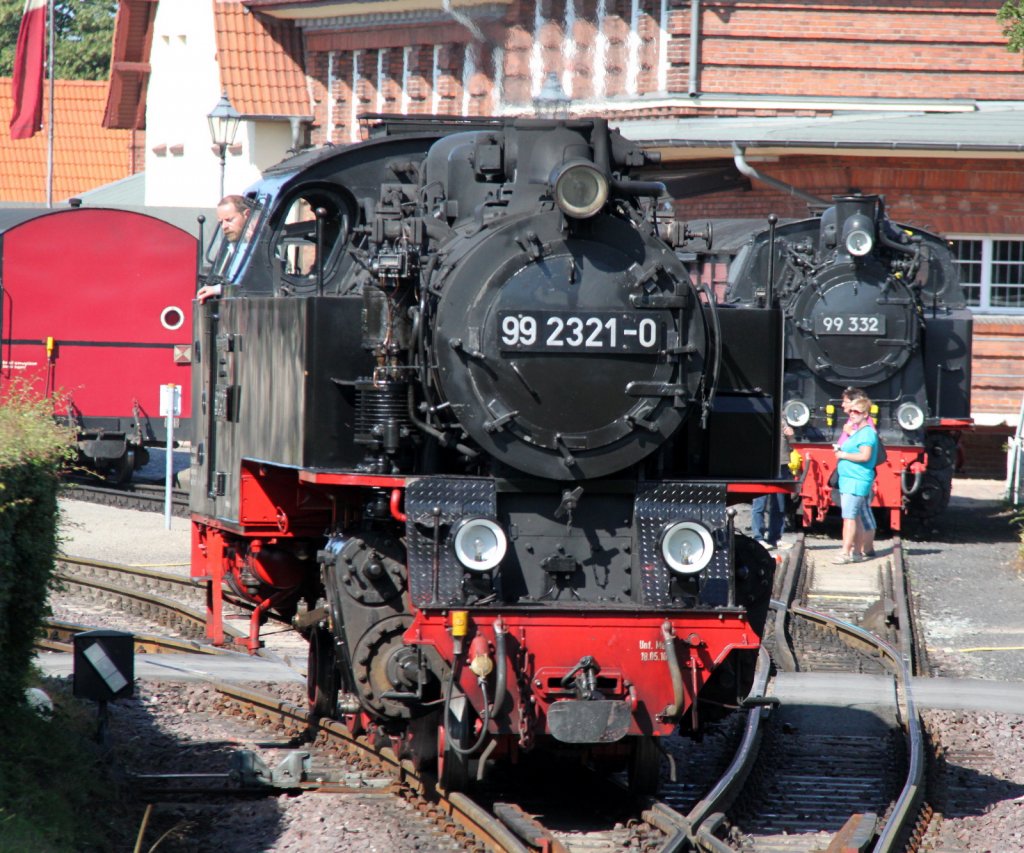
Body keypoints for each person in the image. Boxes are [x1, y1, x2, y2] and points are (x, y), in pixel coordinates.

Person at [833, 396, 879, 564]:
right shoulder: (858, 432)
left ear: (865, 414)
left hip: (856, 480)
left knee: (849, 517)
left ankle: (845, 552)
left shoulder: (867, 433)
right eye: (851, 410)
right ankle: (858, 553)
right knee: (856, 517)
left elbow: (865, 456)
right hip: (850, 479)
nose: (852, 414)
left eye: (856, 411)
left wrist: (843, 454)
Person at [196, 195, 253, 303]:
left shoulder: (257, 249)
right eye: (221, 222)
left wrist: (217, 290)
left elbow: (251, 286)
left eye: (229, 220)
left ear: (247, 214)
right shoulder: (233, 247)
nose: (224, 226)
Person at [752, 423, 795, 550]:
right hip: (763, 463)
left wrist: (791, 436)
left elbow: (791, 443)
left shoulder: (784, 417)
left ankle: (775, 538)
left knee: (779, 504)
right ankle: (758, 537)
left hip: (781, 464)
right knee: (759, 502)